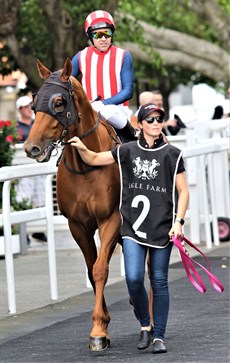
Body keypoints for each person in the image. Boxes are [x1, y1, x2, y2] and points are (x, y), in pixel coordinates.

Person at [67, 103, 189, 354]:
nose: (156, 123)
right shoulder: (126, 150)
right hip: (133, 227)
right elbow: (94, 158)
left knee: (159, 281)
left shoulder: (173, 154)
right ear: (140, 124)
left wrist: (179, 222)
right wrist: (80, 146)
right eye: (151, 119)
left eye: (159, 119)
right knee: (133, 278)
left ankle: (158, 335)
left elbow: (183, 190)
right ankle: (145, 324)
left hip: (162, 226)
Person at [72, 10, 136, 141]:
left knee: (109, 112)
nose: (103, 38)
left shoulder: (123, 55)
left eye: (107, 33)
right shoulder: (80, 56)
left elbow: (128, 91)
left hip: (117, 110)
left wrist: (103, 104)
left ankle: (133, 141)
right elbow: (65, 81)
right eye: (97, 34)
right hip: (87, 111)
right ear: (90, 36)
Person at [15, 96, 47, 242]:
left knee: (41, 199)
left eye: (30, 106)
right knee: (24, 199)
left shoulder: (38, 124)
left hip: (39, 167)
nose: (29, 109)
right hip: (23, 169)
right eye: (25, 107)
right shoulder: (15, 128)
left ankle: (38, 231)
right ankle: (25, 233)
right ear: (19, 110)